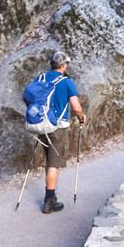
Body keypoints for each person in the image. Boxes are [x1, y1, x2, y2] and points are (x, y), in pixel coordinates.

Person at [35, 50, 87, 213]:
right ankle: (49, 200)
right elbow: (76, 107)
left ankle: (50, 194)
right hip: (58, 127)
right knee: (54, 164)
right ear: (64, 65)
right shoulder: (66, 82)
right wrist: (82, 117)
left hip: (42, 125)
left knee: (50, 161)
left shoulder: (41, 78)